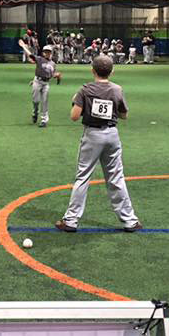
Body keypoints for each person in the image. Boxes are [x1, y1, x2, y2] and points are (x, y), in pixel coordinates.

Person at [55, 55, 142, 233]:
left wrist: (75, 100)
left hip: (92, 135)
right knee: (116, 177)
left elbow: (74, 116)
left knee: (83, 177)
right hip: (112, 135)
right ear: (112, 71)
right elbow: (124, 115)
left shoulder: (85, 90)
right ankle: (130, 221)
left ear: (92, 70)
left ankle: (71, 220)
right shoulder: (117, 89)